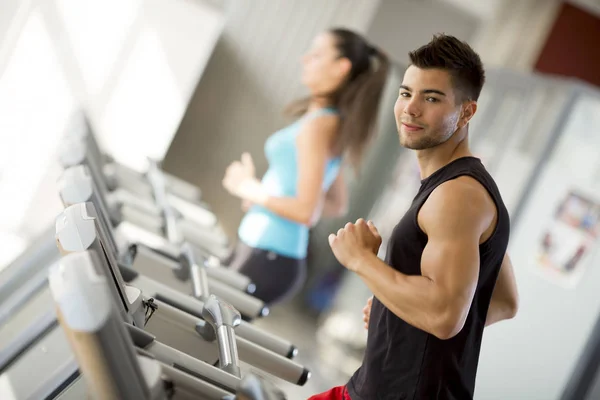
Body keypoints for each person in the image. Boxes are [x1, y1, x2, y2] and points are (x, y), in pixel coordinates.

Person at [311, 34, 520, 400]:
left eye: (432, 98)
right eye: (406, 93)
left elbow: (444, 315)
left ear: (467, 112)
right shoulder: (456, 187)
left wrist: (362, 261)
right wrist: (400, 310)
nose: (411, 108)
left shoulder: (458, 196)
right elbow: (503, 299)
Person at [221, 28, 390, 306]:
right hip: (265, 250)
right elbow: (335, 203)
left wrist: (251, 190)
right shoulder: (326, 120)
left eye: (317, 54)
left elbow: (305, 211)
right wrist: (269, 201)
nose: (305, 59)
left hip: (269, 254)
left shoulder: (321, 125)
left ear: (340, 68)